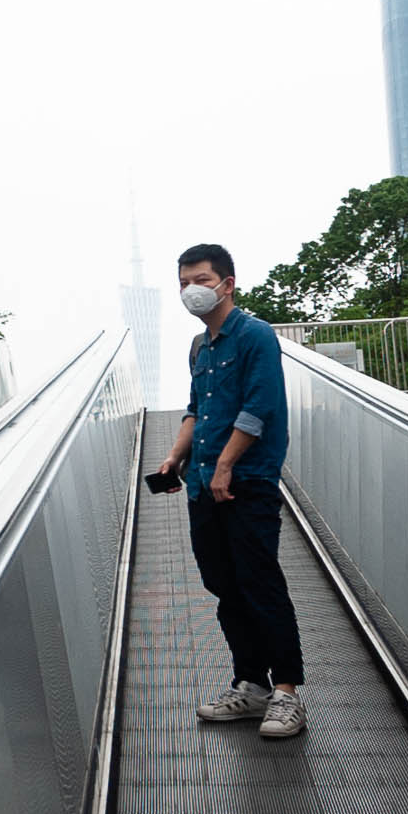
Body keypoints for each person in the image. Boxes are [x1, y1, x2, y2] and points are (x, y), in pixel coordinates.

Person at [158, 243, 305, 740]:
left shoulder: (256, 336)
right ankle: (252, 685)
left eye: (200, 280)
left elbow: (259, 407)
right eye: (183, 283)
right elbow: (196, 408)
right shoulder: (201, 347)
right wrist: (176, 457)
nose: (191, 290)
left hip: (247, 484)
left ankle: (286, 692)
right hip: (203, 485)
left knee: (260, 584)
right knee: (225, 587)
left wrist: (226, 465)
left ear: (227, 284)